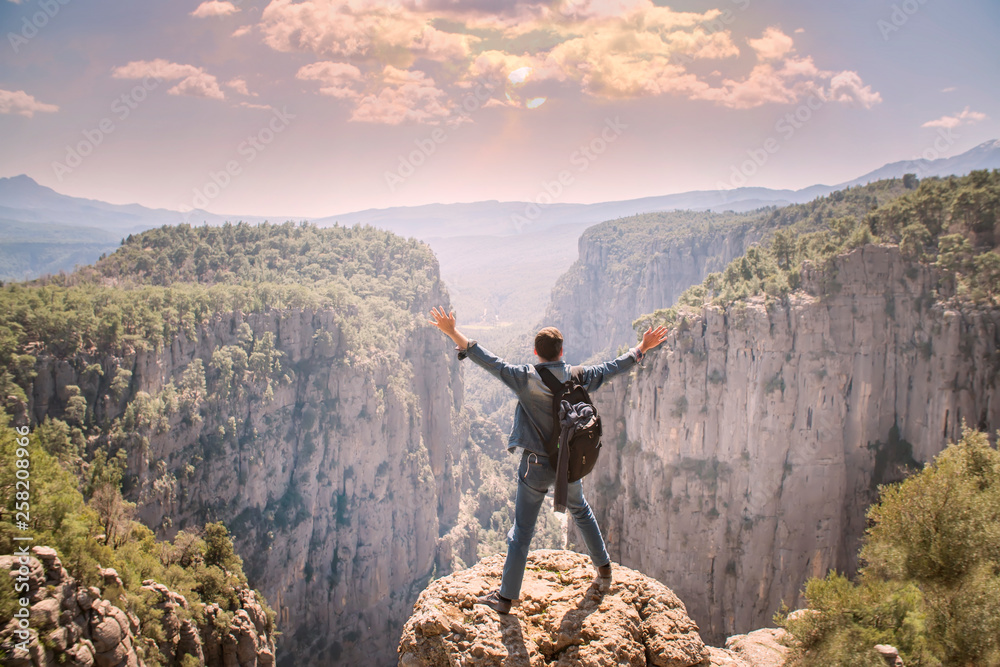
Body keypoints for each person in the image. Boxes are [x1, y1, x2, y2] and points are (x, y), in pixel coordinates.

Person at [428, 307, 669, 614]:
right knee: (581, 511)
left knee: (521, 532)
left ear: (535, 352)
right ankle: (605, 570)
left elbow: (488, 360)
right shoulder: (581, 376)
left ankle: (505, 599)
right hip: (569, 465)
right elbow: (613, 367)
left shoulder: (524, 378)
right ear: (562, 352)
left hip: (535, 467)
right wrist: (642, 348)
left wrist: (451, 331)